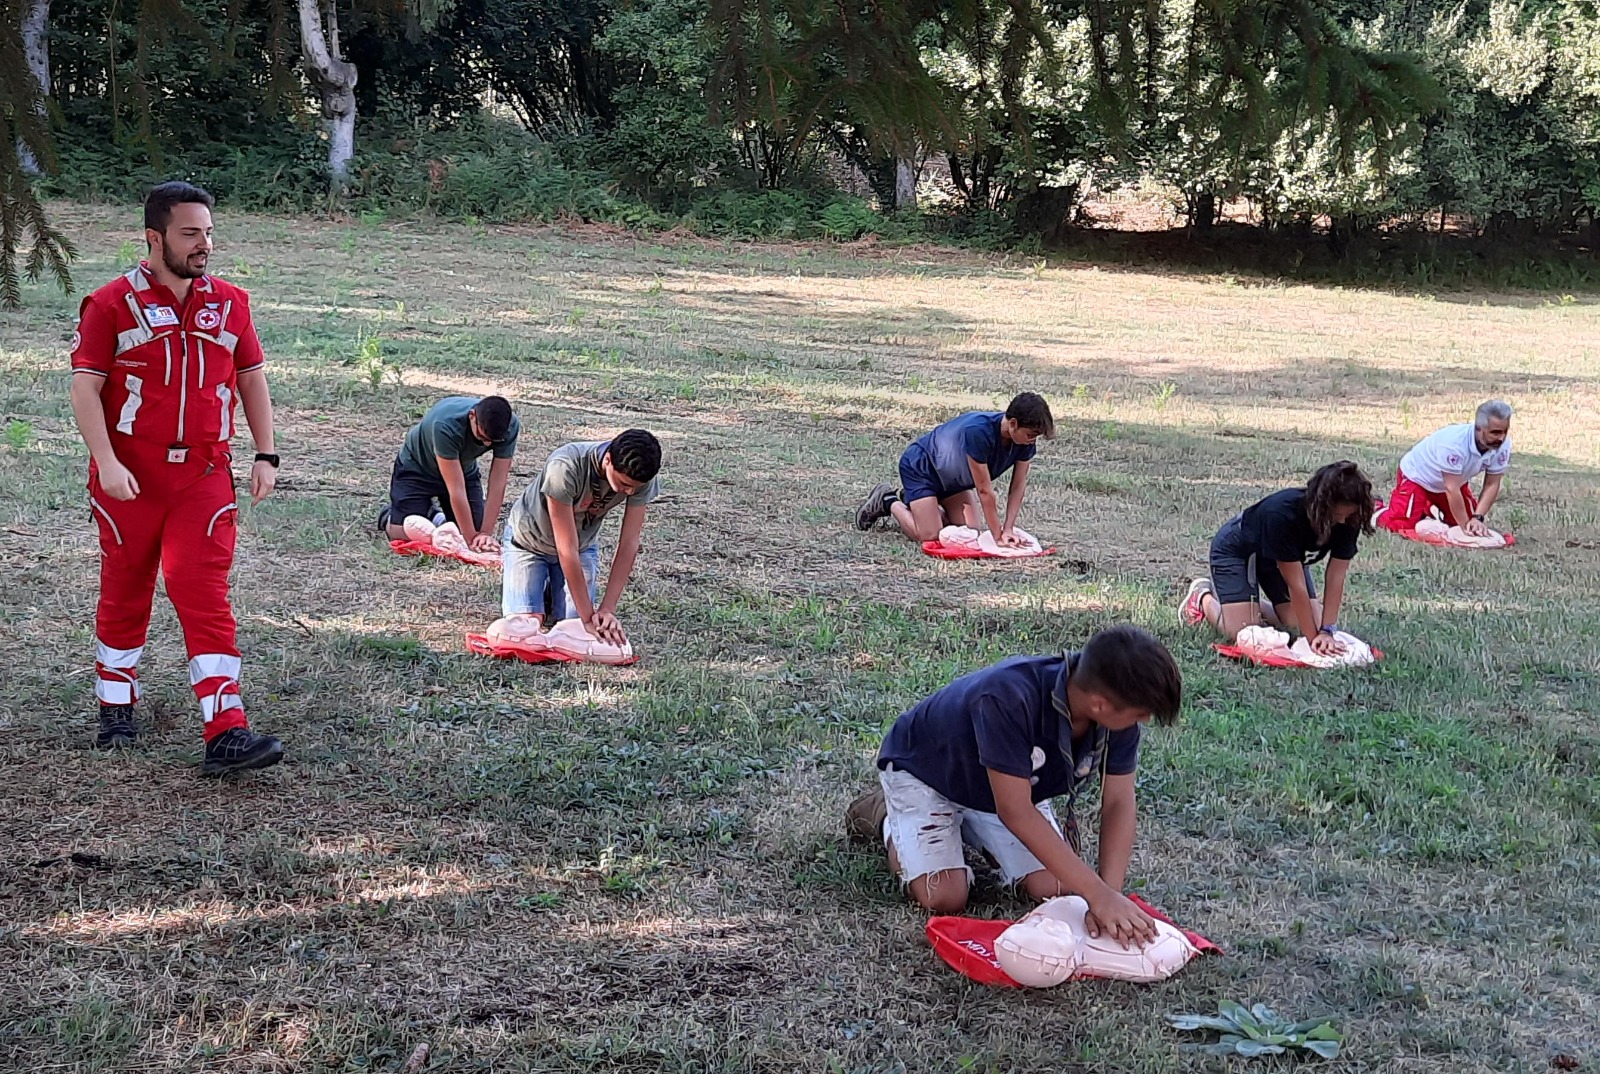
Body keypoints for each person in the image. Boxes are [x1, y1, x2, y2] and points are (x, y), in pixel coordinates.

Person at [68, 181, 284, 775]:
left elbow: (251, 379)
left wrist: (265, 454)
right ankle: (116, 705)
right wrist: (107, 463)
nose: (204, 245)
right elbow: (85, 387)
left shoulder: (232, 302)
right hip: (129, 476)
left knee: (201, 587)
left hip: (205, 473)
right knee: (127, 585)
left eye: (208, 232)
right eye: (190, 234)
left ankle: (226, 729)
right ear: (154, 237)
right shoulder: (109, 303)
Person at [844, 626, 1183, 946]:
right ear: (1099, 704)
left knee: (1058, 887)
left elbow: (1118, 803)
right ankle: (887, 815)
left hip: (1004, 787)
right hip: (926, 773)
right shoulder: (1007, 698)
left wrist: (1109, 894)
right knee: (944, 896)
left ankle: (965, 826)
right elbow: (1016, 811)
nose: (1144, 722)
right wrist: (1098, 895)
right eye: (1140, 714)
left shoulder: (1113, 713)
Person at [1181, 461, 1376, 656]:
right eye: (1336, 515)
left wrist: (1326, 630)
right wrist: (1312, 641)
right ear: (1321, 505)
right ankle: (1202, 598)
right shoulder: (1281, 515)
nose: (1341, 521)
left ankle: (1250, 607)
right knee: (1242, 632)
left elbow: (1336, 576)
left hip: (1280, 557)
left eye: (1347, 515)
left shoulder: (1349, 520)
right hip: (1239, 550)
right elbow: (1296, 585)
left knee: (1302, 622)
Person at [501, 430, 662, 647]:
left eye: (636, 487)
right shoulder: (565, 467)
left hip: (582, 545)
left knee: (572, 627)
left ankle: (552, 591)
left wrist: (606, 609)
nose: (630, 491)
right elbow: (566, 548)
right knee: (525, 629)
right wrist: (588, 618)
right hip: (529, 542)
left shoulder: (641, 478)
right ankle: (545, 586)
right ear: (608, 460)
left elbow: (629, 543)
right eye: (624, 484)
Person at [856, 392, 1054, 546]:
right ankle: (888, 500)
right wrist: (997, 536)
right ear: (1013, 424)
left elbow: (1018, 485)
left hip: (953, 481)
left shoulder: (1025, 443)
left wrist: (1008, 528)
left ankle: (920, 505)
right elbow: (985, 491)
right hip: (923, 468)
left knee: (968, 533)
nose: (1032, 441)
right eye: (1030, 435)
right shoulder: (979, 432)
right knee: (930, 536)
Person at [379, 396, 519, 552]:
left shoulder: (510, 427)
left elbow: (498, 482)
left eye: (493, 441)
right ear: (472, 416)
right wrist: (471, 539)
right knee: (403, 536)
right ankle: (390, 514)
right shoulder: (446, 424)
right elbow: (456, 489)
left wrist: (484, 533)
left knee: (473, 527)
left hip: (463, 470)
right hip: (417, 469)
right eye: (482, 437)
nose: (487, 444)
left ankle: (434, 516)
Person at [1375, 400, 1513, 537]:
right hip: (1418, 478)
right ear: (1478, 428)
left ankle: (1427, 508)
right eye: (1495, 433)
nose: (1501, 438)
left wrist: (1477, 518)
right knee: (1401, 525)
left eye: (1504, 432)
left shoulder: (1503, 445)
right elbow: (1451, 488)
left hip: (1452, 482)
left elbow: (1492, 483)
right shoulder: (1454, 444)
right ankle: (1375, 508)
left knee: (1465, 521)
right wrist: (1465, 529)